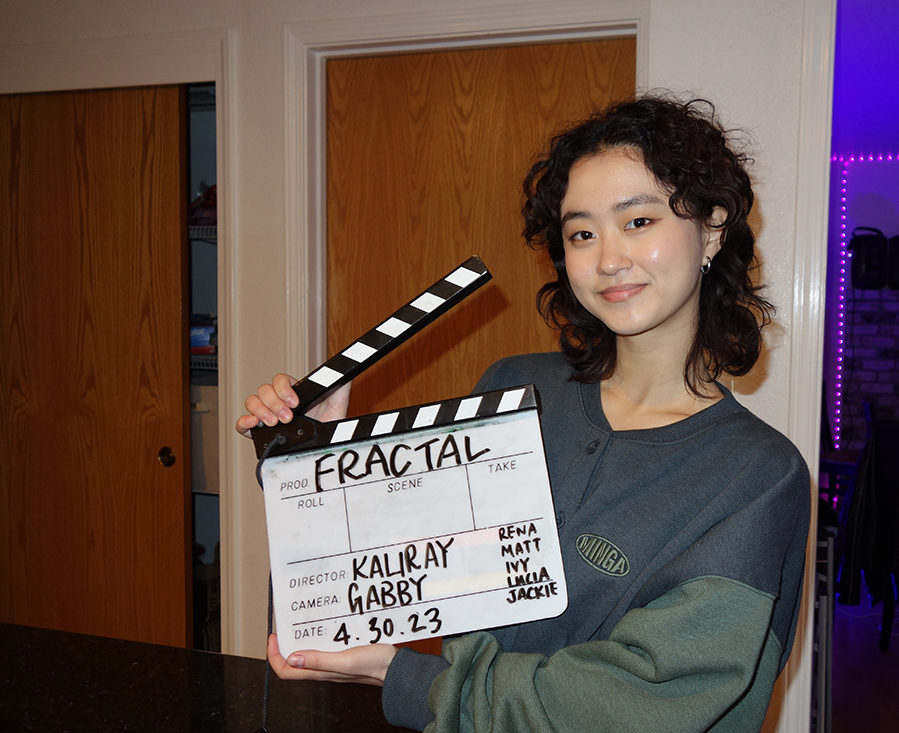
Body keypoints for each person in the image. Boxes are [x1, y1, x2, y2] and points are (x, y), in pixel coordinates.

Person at [236, 94, 811, 732]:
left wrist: (406, 678)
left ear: (712, 227)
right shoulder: (513, 392)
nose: (608, 258)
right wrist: (319, 458)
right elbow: (382, 573)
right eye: (581, 233)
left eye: (639, 221)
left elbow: (629, 708)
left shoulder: (757, 477)